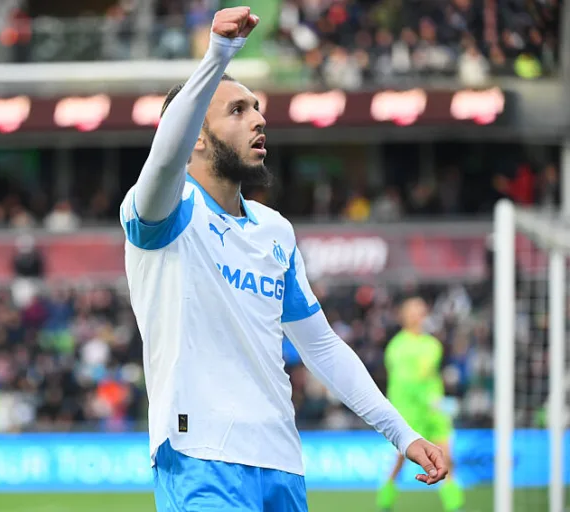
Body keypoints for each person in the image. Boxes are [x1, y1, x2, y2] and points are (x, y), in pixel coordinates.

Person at [119, 7, 447, 511]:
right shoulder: (163, 214)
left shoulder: (275, 231)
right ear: (195, 139)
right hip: (199, 458)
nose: (258, 118)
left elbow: (322, 348)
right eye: (237, 111)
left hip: (281, 463)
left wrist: (402, 435)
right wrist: (217, 55)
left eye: (256, 108)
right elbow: (164, 156)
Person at [377, 297, 465, 512]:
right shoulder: (397, 347)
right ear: (405, 317)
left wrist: (439, 402)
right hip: (409, 412)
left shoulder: (432, 344)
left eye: (422, 311)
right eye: (415, 311)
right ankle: (385, 500)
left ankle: (454, 505)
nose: (419, 315)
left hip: (433, 411)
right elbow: (405, 382)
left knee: (446, 457)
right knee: (400, 460)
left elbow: (430, 377)